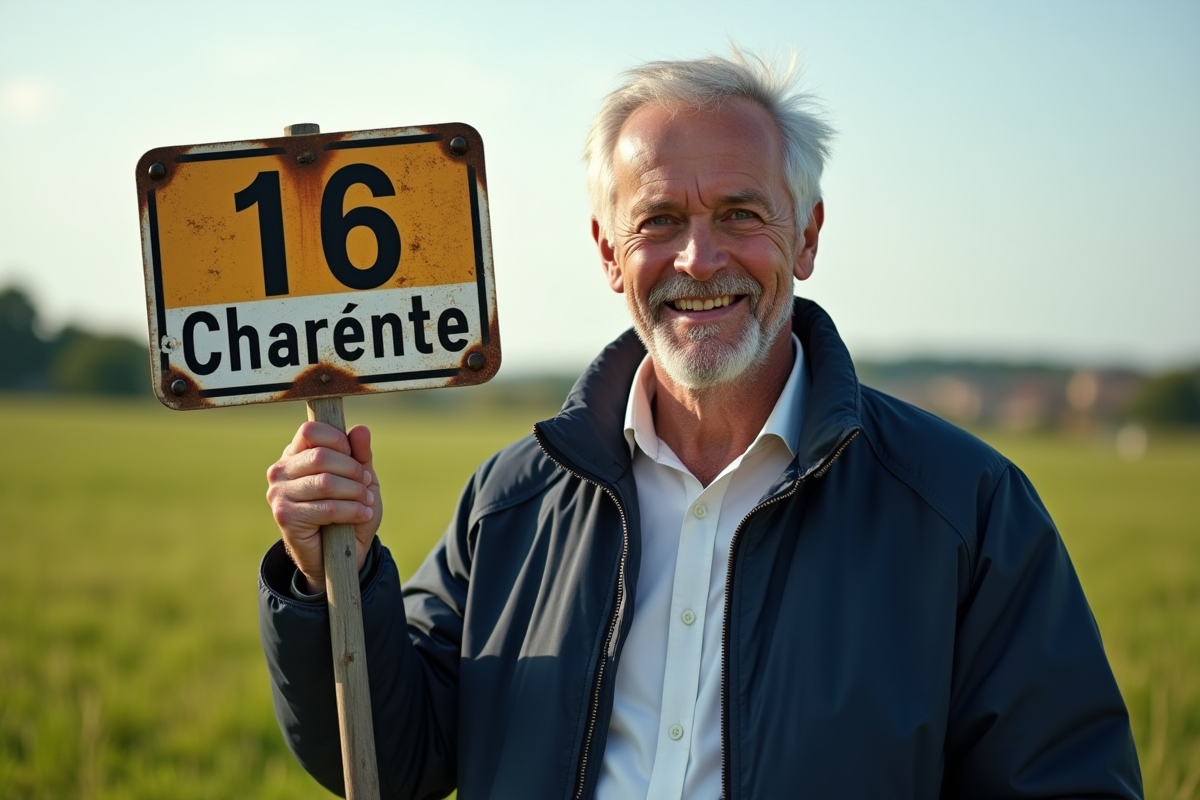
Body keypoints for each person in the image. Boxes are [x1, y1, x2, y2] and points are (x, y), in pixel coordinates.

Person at [260, 52, 1143, 799]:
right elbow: (392, 756)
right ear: (610, 253)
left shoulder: (964, 507)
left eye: (739, 214)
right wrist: (323, 580)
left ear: (806, 237)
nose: (699, 257)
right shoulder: (513, 501)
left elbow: (1065, 776)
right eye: (660, 221)